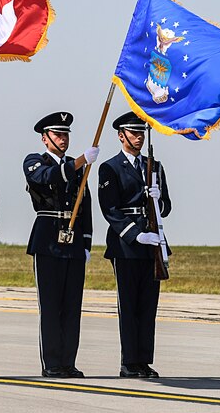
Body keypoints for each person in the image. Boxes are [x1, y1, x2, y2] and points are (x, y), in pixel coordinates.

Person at [23, 111, 99, 378]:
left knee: (71, 306)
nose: (63, 139)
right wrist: (79, 162)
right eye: (57, 134)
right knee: (51, 305)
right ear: (45, 139)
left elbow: (85, 205)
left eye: (65, 134)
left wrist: (87, 241)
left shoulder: (78, 167)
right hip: (47, 238)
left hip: (73, 240)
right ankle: (52, 362)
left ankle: (68, 361)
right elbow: (48, 178)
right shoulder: (35, 161)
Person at [97, 111, 172, 378]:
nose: (138, 137)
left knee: (147, 306)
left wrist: (158, 197)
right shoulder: (110, 167)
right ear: (121, 135)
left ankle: (143, 360)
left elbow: (166, 207)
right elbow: (110, 209)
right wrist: (134, 234)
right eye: (133, 133)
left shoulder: (155, 166)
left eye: (141, 133)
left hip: (151, 243)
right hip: (126, 245)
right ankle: (128, 361)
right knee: (128, 305)